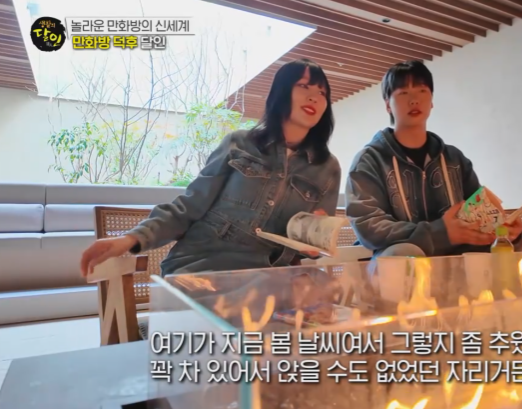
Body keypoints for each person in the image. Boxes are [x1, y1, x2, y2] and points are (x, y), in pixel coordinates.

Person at [80, 59, 342, 277]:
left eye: (322, 93)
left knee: (329, 300)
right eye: (303, 86)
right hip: (204, 267)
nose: (314, 97)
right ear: (281, 93)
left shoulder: (327, 168)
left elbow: (314, 246)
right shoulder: (239, 144)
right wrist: (129, 239)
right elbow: (189, 206)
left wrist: (314, 242)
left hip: (269, 276)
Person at [346, 60, 522, 260]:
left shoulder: (454, 159)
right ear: (388, 105)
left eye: (422, 91)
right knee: (407, 255)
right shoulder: (369, 161)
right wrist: (440, 234)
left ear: (431, 101)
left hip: (457, 254)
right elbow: (370, 227)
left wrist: (505, 231)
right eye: (403, 93)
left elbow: (479, 209)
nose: (414, 100)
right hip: (397, 258)